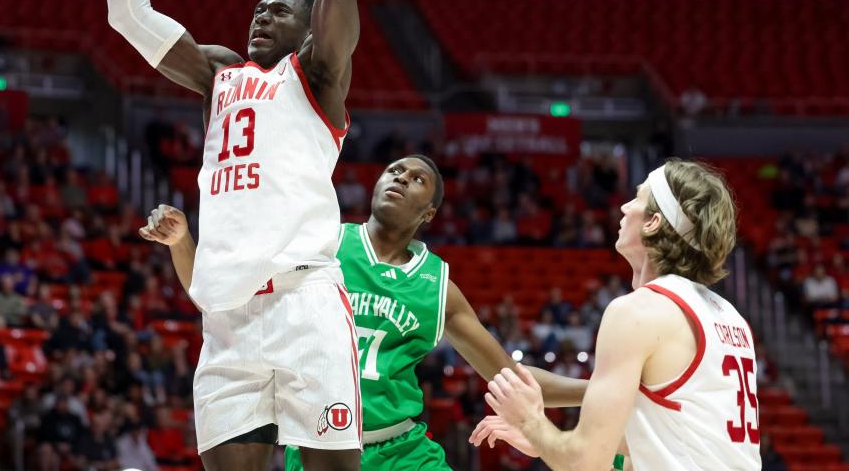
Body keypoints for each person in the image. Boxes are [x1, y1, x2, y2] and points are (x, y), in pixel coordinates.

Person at [112, 0, 361, 471]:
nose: (262, 15)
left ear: (307, 30)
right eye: (258, 8)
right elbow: (129, 16)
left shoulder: (318, 75)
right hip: (228, 317)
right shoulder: (219, 73)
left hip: (304, 302)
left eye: (279, 10)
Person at [143, 156, 587, 471]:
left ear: (428, 212)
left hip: (403, 452)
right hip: (320, 447)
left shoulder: (437, 288)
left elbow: (512, 378)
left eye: (417, 179)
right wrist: (182, 242)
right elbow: (220, 300)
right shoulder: (320, 243)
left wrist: (603, 390)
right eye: (394, 171)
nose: (400, 177)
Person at [470, 160, 761, 470]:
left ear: (653, 223)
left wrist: (531, 422)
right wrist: (548, 442)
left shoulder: (638, 311)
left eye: (637, 198)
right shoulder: (730, 317)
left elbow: (585, 463)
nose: (624, 207)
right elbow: (672, 444)